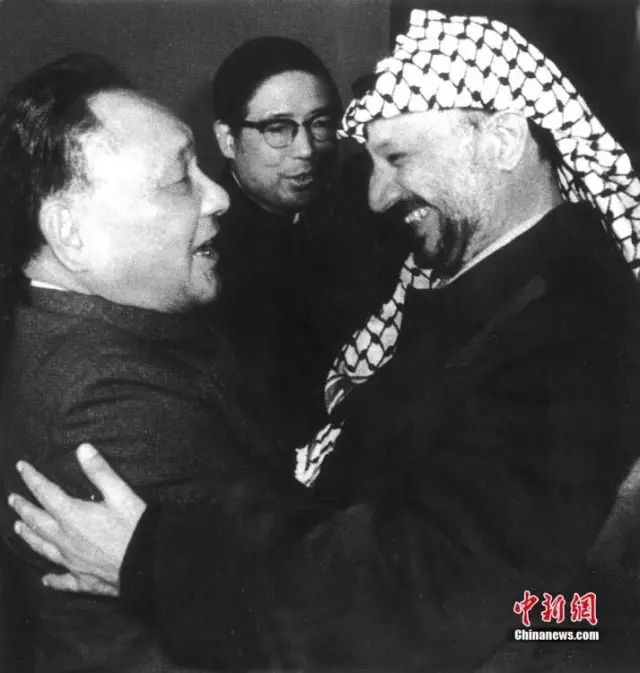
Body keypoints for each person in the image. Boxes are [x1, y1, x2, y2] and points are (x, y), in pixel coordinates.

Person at [10, 10, 640, 671]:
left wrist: (149, 559)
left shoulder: (568, 330)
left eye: (398, 158)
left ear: (505, 140)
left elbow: (435, 597)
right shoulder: (494, 290)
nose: (376, 196)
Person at [0, 52, 293, 672]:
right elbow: (282, 604)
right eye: (180, 178)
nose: (219, 197)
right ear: (70, 234)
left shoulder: (112, 330)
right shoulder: (104, 402)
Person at [208, 37, 409, 450]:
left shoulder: (359, 210)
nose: (307, 149)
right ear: (227, 139)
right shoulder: (209, 256)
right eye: (277, 129)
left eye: (320, 123)